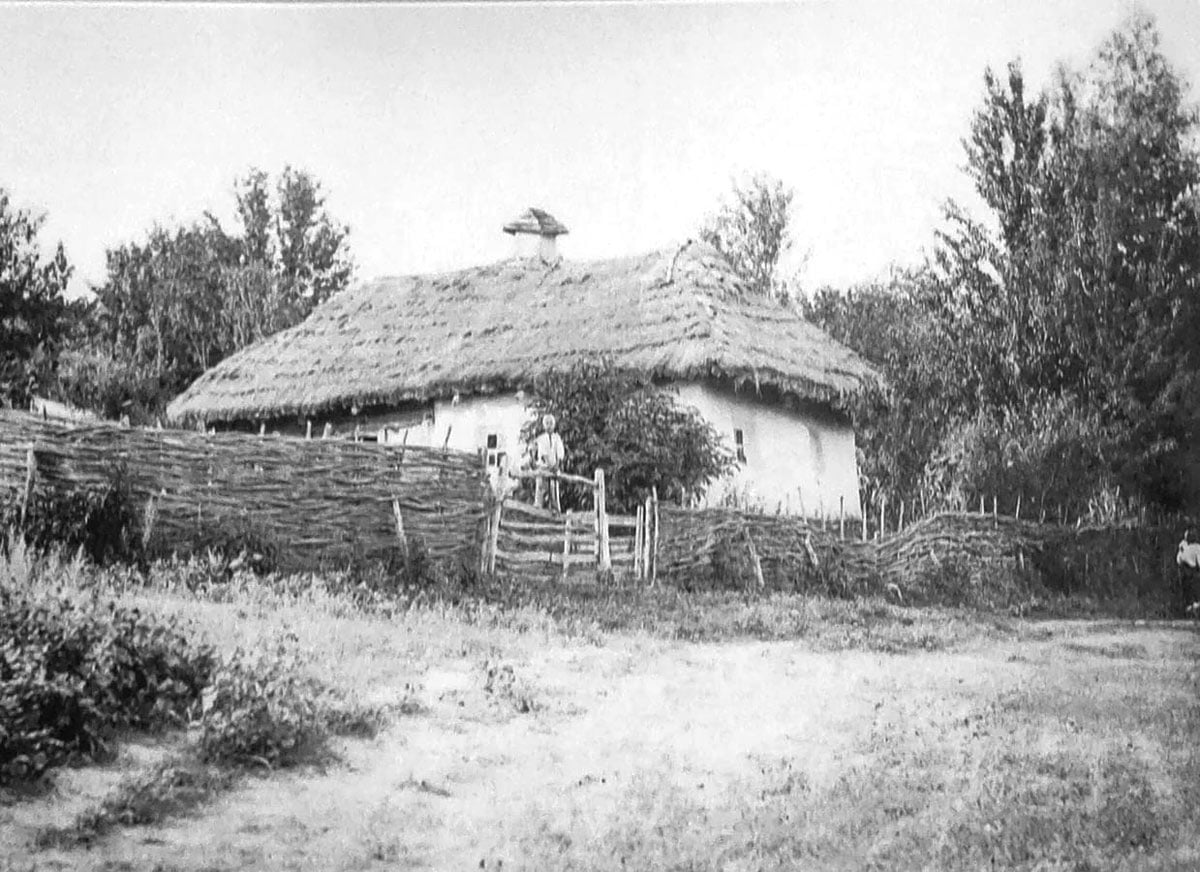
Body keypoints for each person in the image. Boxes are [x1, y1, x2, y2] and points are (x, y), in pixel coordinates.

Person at [533, 413, 566, 512]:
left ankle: (555, 508)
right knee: (541, 486)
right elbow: (543, 454)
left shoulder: (557, 438)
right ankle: (538, 506)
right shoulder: (541, 438)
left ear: (554, 425)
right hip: (544, 466)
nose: (549, 426)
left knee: (554, 487)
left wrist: (557, 464)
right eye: (547, 423)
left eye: (551, 423)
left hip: (554, 467)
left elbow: (560, 452)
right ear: (544, 425)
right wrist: (549, 465)